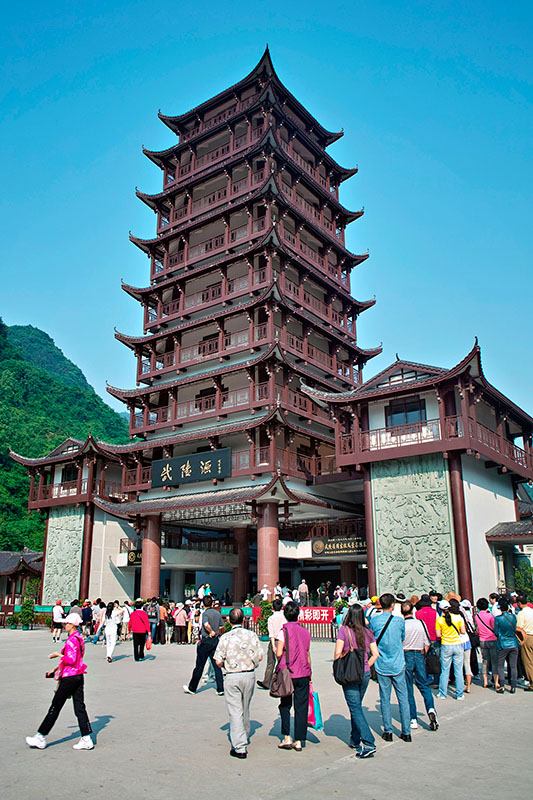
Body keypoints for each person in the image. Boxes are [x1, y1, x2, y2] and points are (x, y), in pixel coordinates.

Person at [26, 613, 94, 751]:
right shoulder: (79, 639)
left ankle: (41, 736)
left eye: (66, 623)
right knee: (79, 707)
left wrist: (57, 654)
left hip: (69, 678)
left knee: (55, 706)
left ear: (73, 625)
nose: (65, 625)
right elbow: (76, 660)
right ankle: (86, 738)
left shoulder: (71, 640)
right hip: (78, 675)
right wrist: (55, 669)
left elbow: (70, 659)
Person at [215, 608, 263, 759]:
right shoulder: (252, 635)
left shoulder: (225, 638)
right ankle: (244, 735)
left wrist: (226, 665)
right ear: (243, 620)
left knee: (235, 711)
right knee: (245, 707)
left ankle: (239, 746)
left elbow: (217, 660)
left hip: (232, 676)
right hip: (249, 675)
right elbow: (260, 657)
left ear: (229, 621)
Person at [334, 604, 379, 758]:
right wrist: (366, 666)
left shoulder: (344, 631)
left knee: (355, 708)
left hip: (350, 674)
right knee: (357, 706)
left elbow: (337, 654)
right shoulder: (368, 632)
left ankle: (368, 742)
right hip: (364, 674)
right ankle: (354, 739)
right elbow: (375, 654)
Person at [369, 593, 412, 742]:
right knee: (403, 698)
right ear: (393, 605)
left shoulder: (374, 621)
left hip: (381, 664)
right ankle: (406, 732)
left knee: (384, 698)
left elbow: (372, 639)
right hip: (398, 663)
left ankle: (388, 731)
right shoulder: (399, 621)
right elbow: (402, 638)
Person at [276, 601, 312, 751]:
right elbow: (307, 654)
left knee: (285, 704)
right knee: (301, 706)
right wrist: (310, 672)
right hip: (303, 672)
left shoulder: (282, 632)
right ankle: (299, 740)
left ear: (285, 615)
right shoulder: (305, 632)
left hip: (287, 673)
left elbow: (278, 653)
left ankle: (286, 737)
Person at [401, 602, 439, 731]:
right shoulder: (420, 624)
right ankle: (431, 709)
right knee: (424, 685)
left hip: (406, 655)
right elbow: (427, 643)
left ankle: (413, 719)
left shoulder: (402, 625)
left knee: (408, 688)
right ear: (412, 611)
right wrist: (423, 654)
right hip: (420, 654)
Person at [183, 596, 224, 695]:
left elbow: (205, 624)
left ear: (203, 604)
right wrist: (218, 633)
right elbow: (222, 626)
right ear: (212, 604)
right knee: (216, 665)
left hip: (206, 640)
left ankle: (192, 688)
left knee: (200, 665)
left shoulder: (205, 613)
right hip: (215, 641)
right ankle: (220, 688)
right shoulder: (217, 613)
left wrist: (211, 632)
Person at [435, 599, 465, 700]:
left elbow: (438, 634)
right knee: (458, 670)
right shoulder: (458, 617)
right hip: (457, 644)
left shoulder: (439, 620)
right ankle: (459, 694)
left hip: (446, 645)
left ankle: (443, 693)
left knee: (445, 670)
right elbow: (463, 631)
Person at [257, 598, 285, 690]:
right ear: (282, 607)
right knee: (283, 662)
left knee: (270, 662)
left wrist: (273, 645)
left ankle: (267, 682)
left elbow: (271, 633)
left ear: (272, 607)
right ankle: (283, 681)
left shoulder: (271, 618)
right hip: (283, 641)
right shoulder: (284, 616)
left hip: (275, 640)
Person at [494, 596, 520, 693]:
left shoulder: (498, 619)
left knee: (500, 665)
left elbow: (496, 632)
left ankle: (502, 685)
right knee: (513, 666)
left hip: (503, 643)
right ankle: (513, 686)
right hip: (513, 642)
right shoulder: (513, 617)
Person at [475, 598, 499, 689]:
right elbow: (494, 627)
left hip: (482, 640)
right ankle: (496, 681)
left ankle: (485, 681)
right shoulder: (490, 616)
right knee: (494, 661)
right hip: (492, 639)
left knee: (485, 661)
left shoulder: (477, 616)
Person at [516, 595, 533, 690]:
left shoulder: (521, 614)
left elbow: (519, 628)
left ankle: (532, 683)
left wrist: (520, 641)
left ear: (519, 603)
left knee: (528, 662)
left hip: (527, 637)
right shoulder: (532, 611)